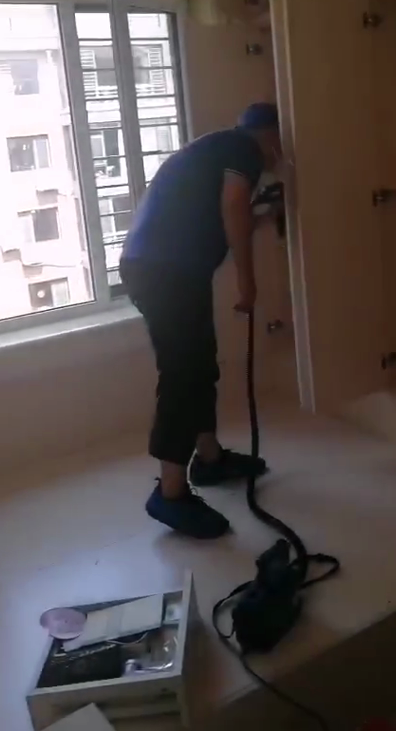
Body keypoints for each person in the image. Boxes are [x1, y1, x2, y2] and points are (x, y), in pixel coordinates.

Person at [120, 102, 281, 539]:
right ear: (271, 136)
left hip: (164, 269)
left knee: (200, 364)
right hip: (164, 271)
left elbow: (229, 215)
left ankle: (208, 459)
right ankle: (169, 494)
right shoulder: (244, 149)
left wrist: (263, 215)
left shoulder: (217, 147)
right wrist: (247, 281)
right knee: (183, 375)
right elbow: (233, 208)